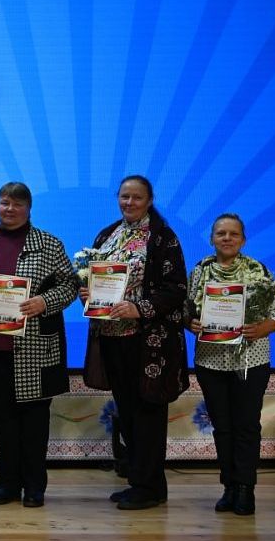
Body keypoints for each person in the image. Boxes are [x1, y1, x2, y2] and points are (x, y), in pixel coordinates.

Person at [0, 182, 78, 508]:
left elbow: (71, 285)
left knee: (34, 423)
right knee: (3, 421)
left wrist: (44, 301)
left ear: (28, 208)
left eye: (17, 204)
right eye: (4, 203)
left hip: (35, 350)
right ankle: (7, 484)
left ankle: (35, 486)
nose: (10, 209)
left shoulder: (49, 244)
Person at [81, 175, 189, 510]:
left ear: (150, 200)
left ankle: (149, 486)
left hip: (149, 343)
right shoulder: (107, 235)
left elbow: (176, 290)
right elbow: (95, 278)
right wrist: (88, 294)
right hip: (112, 338)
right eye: (124, 196)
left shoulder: (163, 237)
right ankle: (141, 482)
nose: (129, 202)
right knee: (127, 413)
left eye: (137, 197)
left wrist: (139, 308)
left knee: (148, 414)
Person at [186, 213, 275, 516]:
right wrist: (190, 323)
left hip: (251, 361)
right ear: (212, 239)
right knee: (222, 427)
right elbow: (185, 309)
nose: (227, 238)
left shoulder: (259, 271)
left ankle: (246, 488)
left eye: (233, 234)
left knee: (246, 426)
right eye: (221, 233)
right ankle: (229, 486)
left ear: (243, 239)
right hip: (210, 361)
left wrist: (262, 328)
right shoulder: (200, 271)